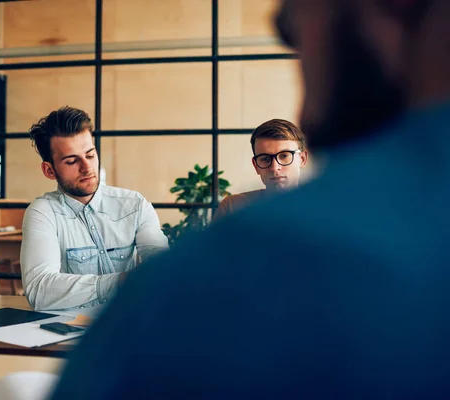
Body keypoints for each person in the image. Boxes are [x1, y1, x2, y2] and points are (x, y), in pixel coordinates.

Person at [52, 0, 450, 397]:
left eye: (300, 8)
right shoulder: (236, 226)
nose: (281, 27)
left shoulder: (222, 266)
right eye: (265, 159)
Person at [20, 106, 169, 310]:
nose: (87, 167)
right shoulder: (43, 213)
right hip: (67, 335)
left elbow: (162, 265)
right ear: (49, 170)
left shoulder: (134, 205)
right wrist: (120, 282)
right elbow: (39, 290)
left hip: (130, 327)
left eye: (90, 155)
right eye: (72, 161)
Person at [213, 118, 307, 221]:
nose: (275, 168)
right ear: (256, 165)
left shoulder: (324, 207)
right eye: (265, 159)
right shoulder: (233, 208)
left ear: (302, 159)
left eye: (284, 156)